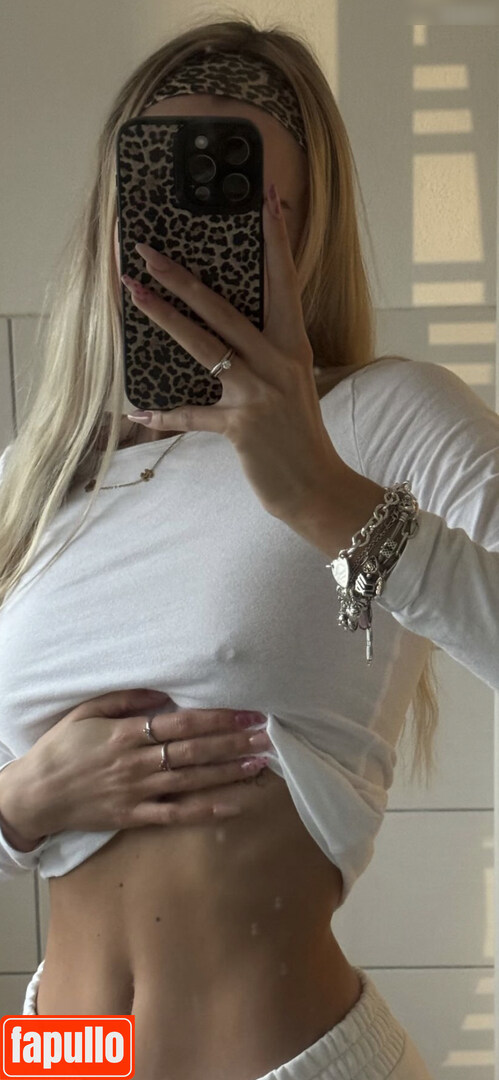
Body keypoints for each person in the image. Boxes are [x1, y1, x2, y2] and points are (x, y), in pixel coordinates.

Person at [0, 15, 497, 1080]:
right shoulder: (36, 478)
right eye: (158, 192)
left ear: (304, 228)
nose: (191, 236)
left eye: (238, 203)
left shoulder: (379, 420)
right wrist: (18, 806)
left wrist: (326, 498)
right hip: (57, 1054)